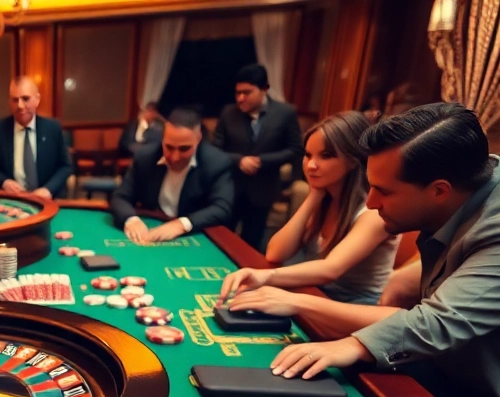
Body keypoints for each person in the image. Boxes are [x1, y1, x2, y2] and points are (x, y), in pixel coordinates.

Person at [249, 104, 500, 397]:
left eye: (384, 191)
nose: (370, 202)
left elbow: (440, 321)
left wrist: (351, 344)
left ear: (439, 190)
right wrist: (402, 280)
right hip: (451, 376)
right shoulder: (478, 185)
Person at [218, 111, 396, 306]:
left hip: (353, 309)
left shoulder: (373, 212)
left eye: (326, 156)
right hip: (316, 296)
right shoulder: (325, 198)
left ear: (353, 160)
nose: (311, 165)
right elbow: (276, 253)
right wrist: (314, 196)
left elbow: (330, 270)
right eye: (308, 155)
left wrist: (265, 276)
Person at [210, 64, 304, 248]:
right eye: (237, 93)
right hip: (230, 187)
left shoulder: (285, 113)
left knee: (252, 243)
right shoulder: (228, 113)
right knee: (221, 239)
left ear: (264, 89)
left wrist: (263, 161)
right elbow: (215, 150)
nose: (240, 98)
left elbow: (295, 149)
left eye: (247, 92)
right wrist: (239, 160)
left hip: (263, 189)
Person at [110, 108, 233, 243]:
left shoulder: (216, 162)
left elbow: (222, 208)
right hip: (152, 228)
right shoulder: (145, 157)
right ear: (163, 139)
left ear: (198, 139)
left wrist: (182, 224)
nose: (175, 157)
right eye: (169, 147)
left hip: (193, 238)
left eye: (184, 149)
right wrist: (131, 219)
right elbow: (120, 196)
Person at [0, 76, 72, 199]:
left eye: (25, 98)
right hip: (13, 201)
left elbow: (66, 166)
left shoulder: (53, 128)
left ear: (37, 99)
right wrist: (4, 182)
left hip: (48, 200)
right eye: (15, 100)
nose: (20, 105)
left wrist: (48, 189)